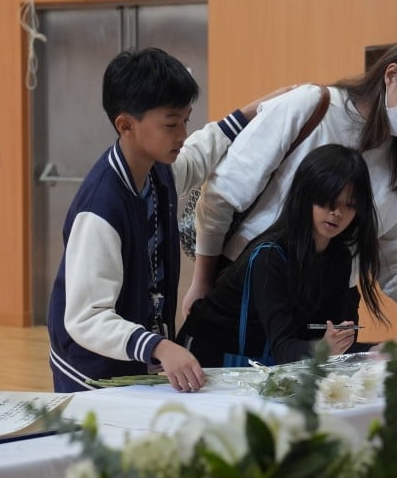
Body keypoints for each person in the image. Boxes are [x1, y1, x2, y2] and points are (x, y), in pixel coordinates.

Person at [184, 29, 397, 344]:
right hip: (255, 284)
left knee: (324, 375)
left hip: (331, 302)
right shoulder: (312, 107)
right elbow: (223, 195)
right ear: (392, 75)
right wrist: (202, 280)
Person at [47, 47, 278, 393]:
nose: (182, 133)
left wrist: (254, 112)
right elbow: (86, 318)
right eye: (171, 124)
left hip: (139, 363)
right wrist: (159, 346)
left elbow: (199, 154)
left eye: (186, 120)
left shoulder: (157, 171)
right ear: (125, 125)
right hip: (93, 376)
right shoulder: (101, 207)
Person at [177, 144, 392, 365]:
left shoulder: (340, 257)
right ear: (305, 196)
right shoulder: (270, 256)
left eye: (350, 205)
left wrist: (374, 351)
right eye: (327, 200)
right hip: (205, 360)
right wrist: (325, 347)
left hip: (259, 365)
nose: (337, 212)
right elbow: (284, 350)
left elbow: (330, 342)